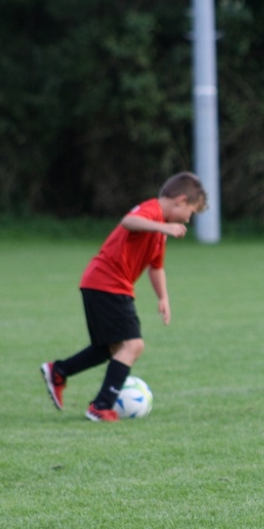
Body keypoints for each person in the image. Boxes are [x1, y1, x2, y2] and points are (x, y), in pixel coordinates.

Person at [40, 172, 207, 421]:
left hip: (103, 283)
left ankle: (59, 371)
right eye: (190, 212)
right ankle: (101, 406)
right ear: (181, 200)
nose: (188, 219)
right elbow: (129, 221)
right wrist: (163, 226)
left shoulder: (160, 229)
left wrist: (163, 298)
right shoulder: (152, 211)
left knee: (110, 348)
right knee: (133, 345)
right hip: (108, 283)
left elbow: (156, 266)